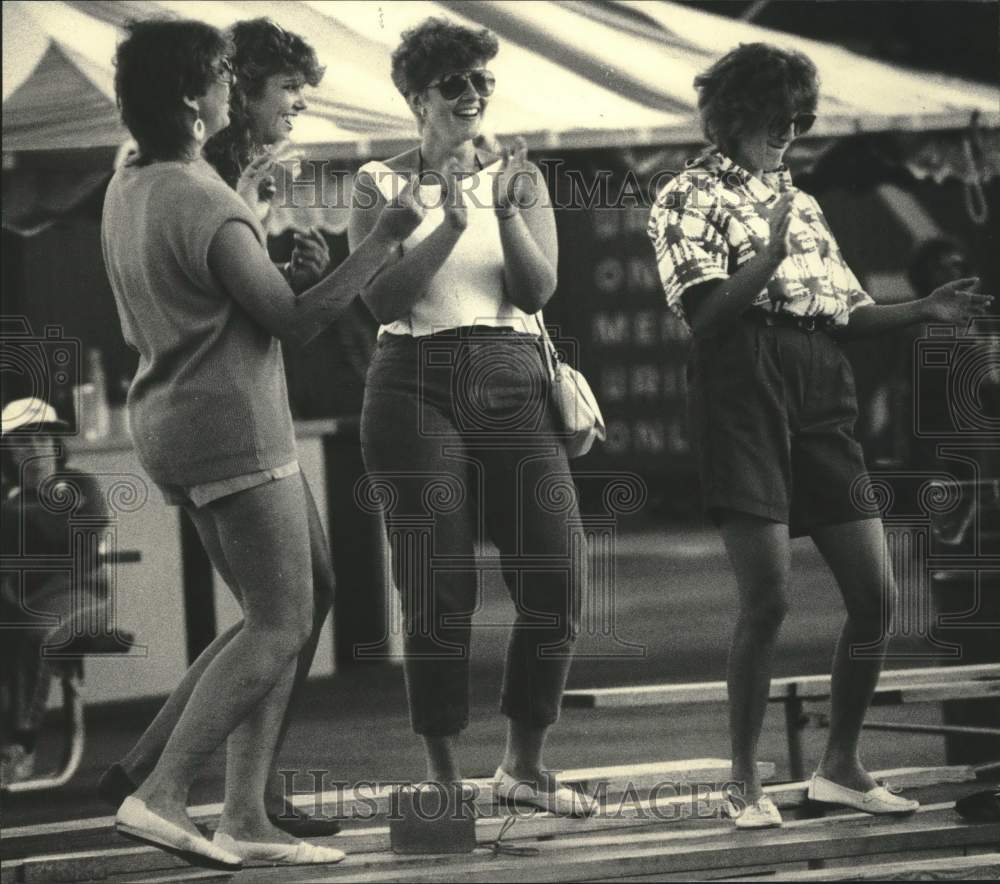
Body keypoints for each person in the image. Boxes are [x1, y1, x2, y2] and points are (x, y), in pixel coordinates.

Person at [101, 18, 420, 867]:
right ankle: (161, 790)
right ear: (196, 99)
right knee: (280, 622)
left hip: (177, 420)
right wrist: (379, 244)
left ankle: (242, 811)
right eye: (219, 78)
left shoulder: (130, 177)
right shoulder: (203, 200)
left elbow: (229, 293)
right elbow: (293, 321)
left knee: (299, 593)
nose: (229, 86)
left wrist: (262, 221)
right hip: (228, 426)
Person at [647, 43, 992, 829]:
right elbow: (704, 317)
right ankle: (744, 782)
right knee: (764, 598)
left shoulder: (800, 201)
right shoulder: (683, 193)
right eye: (780, 118)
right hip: (740, 383)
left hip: (819, 382)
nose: (791, 132)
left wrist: (924, 311)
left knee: (876, 594)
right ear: (736, 115)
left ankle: (840, 764)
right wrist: (765, 253)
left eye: (801, 121)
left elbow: (845, 312)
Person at [348, 17, 593, 816]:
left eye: (483, 81)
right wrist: (448, 224)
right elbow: (379, 298)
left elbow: (537, 291)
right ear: (417, 94)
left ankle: (524, 764)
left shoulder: (517, 175)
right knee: (437, 584)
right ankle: (444, 773)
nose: (474, 95)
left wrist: (503, 208)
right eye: (456, 82)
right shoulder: (375, 184)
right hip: (413, 375)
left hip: (511, 367)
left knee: (557, 571)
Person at [0, 399, 126, 787]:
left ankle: (21, 745)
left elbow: (72, 545)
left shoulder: (79, 485)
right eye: (21, 442)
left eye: (43, 438)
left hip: (84, 595)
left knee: (34, 629)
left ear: (56, 444)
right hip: (24, 601)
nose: (34, 448)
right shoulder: (10, 499)